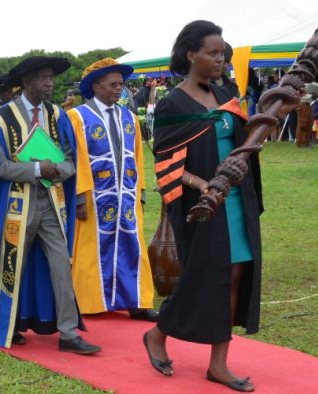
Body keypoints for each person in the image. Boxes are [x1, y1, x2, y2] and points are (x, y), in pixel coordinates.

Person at [144, 21, 263, 392]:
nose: (220, 59)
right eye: (213, 53)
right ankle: (158, 333)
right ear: (191, 53)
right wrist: (203, 185)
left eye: (223, 53)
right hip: (203, 205)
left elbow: (241, 139)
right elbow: (164, 161)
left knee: (237, 274)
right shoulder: (172, 103)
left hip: (237, 200)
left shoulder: (225, 91)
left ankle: (218, 364)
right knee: (204, 277)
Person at [0, 56, 101, 355]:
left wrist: (57, 170)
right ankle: (7, 325)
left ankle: (68, 332)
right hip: (15, 206)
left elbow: (70, 160)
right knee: (12, 268)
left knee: (62, 265)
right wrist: (38, 170)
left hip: (51, 205)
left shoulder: (58, 116)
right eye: (43, 77)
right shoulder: (1, 119)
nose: (50, 82)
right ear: (25, 82)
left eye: (51, 77)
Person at [67, 58, 158, 321]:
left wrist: (139, 191)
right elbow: (76, 158)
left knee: (132, 244)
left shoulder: (128, 116)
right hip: (95, 196)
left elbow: (137, 156)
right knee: (93, 247)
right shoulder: (78, 117)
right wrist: (81, 195)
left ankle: (138, 302)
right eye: (113, 84)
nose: (120, 89)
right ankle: (90, 300)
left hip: (126, 195)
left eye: (121, 84)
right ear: (96, 86)